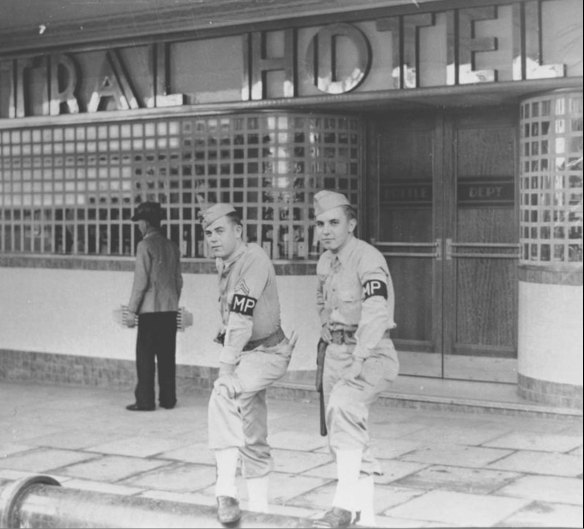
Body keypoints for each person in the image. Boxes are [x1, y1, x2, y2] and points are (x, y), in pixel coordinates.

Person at [200, 203, 295, 525]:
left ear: (238, 230)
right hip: (248, 354)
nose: (213, 238)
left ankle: (225, 489)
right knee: (252, 431)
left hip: (267, 354)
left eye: (220, 231)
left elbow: (241, 315)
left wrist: (226, 369)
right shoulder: (226, 261)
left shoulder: (253, 260)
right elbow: (233, 316)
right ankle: (261, 513)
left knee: (224, 394)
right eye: (208, 233)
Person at [311, 190, 399, 528]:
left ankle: (343, 506)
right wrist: (327, 333)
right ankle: (366, 516)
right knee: (343, 435)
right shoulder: (325, 261)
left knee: (346, 407)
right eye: (320, 224)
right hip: (335, 352)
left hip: (372, 353)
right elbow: (322, 301)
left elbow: (376, 313)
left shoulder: (368, 258)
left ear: (352, 223)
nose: (326, 230)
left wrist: (359, 356)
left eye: (334, 222)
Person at [125, 201, 183, 411]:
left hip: (149, 311)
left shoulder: (144, 246)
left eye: (139, 222)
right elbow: (178, 281)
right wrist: (172, 302)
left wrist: (132, 311)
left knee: (146, 358)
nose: (138, 226)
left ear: (147, 223)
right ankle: (168, 400)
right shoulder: (171, 246)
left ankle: (145, 401)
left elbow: (140, 282)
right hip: (169, 310)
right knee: (168, 356)